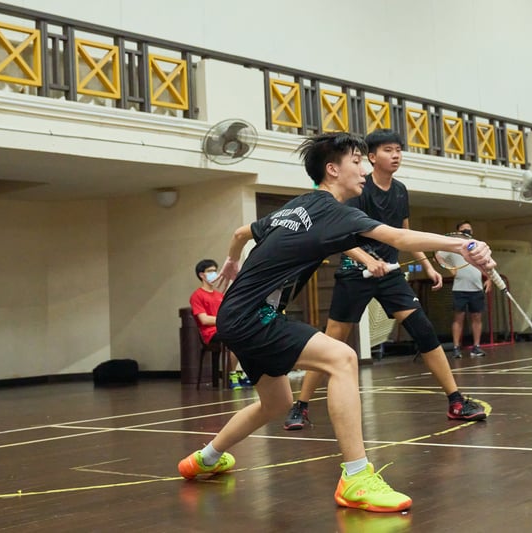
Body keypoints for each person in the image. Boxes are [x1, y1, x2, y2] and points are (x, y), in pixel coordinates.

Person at [177, 132, 497, 514]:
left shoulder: (296, 207)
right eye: (357, 162)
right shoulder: (334, 211)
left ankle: (206, 458)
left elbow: (240, 233)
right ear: (332, 170)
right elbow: (396, 235)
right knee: (342, 358)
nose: (364, 170)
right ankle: (357, 477)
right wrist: (461, 244)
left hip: (237, 313)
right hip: (252, 317)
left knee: (275, 401)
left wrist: (232, 261)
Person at [283, 129, 488, 432]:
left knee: (424, 331)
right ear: (371, 157)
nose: (396, 155)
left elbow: (404, 233)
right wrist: (366, 259)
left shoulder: (400, 190)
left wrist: (425, 264)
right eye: (388, 150)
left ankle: (456, 400)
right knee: (332, 340)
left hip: (390, 273)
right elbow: (340, 236)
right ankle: (300, 406)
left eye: (399, 150)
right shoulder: (359, 191)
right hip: (355, 273)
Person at [190, 259, 249, 389]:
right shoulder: (197, 295)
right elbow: (204, 320)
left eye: (215, 271)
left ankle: (244, 373)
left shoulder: (219, 295)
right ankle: (232, 374)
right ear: (201, 275)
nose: (214, 273)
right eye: (210, 271)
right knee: (234, 337)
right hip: (210, 333)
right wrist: (223, 321)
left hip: (225, 328)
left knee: (246, 334)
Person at [449, 221, 491, 358]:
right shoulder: (453, 248)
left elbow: (486, 264)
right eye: (464, 230)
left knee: (477, 317)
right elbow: (439, 257)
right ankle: (456, 347)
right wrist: (451, 268)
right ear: (458, 232)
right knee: (458, 318)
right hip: (459, 288)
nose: (467, 231)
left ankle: (476, 347)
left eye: (469, 229)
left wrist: (489, 279)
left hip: (476, 288)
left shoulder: (477, 247)